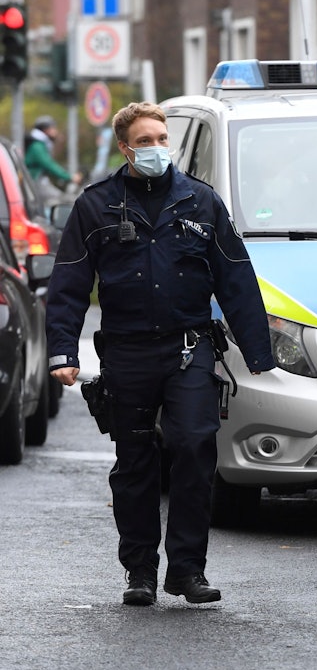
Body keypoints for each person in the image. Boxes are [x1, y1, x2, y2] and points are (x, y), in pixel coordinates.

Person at [45, 102, 276, 607]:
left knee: (195, 448)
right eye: (144, 141)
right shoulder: (96, 206)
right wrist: (63, 350)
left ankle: (188, 570)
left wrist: (260, 354)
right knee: (134, 463)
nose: (155, 148)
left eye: (161, 138)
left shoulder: (201, 201)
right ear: (125, 147)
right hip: (127, 353)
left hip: (188, 348)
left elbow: (236, 277)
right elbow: (68, 285)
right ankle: (140, 571)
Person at [24, 115, 83, 203]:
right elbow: (49, 164)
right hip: (35, 181)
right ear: (46, 129)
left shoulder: (39, 143)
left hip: (37, 180)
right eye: (53, 128)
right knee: (61, 199)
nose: (56, 131)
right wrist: (69, 177)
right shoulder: (37, 146)